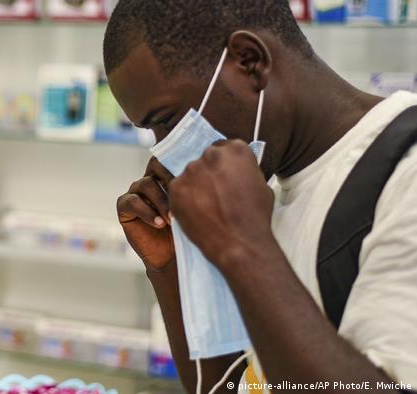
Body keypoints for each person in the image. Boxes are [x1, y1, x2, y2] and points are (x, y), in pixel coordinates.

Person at [103, 1, 417, 393]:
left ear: (250, 61)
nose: (164, 151)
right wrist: (171, 268)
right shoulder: (260, 176)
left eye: (167, 120)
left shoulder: (403, 173)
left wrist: (243, 246)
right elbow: (240, 387)